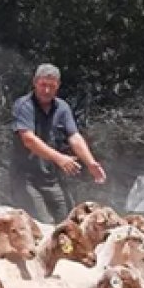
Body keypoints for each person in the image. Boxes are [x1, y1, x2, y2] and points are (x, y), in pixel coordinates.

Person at [8, 63, 106, 223]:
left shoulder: (62, 108)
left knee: (68, 222)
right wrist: (60, 159)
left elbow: (74, 137)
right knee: (41, 224)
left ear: (58, 86)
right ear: (35, 82)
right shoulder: (24, 105)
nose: (46, 90)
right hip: (25, 179)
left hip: (50, 178)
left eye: (51, 86)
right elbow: (28, 139)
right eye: (43, 85)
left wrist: (91, 163)